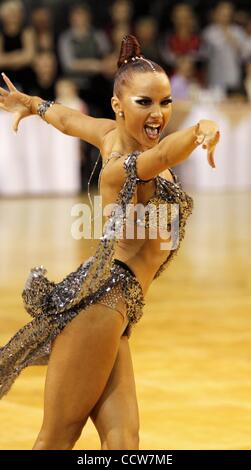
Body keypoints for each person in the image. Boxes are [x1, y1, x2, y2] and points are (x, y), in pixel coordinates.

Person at [0, 35, 220, 450]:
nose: (159, 115)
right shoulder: (124, 165)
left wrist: (30, 104)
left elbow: (67, 119)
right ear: (118, 106)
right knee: (56, 438)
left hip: (117, 308)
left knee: (123, 440)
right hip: (101, 302)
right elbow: (164, 158)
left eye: (166, 102)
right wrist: (199, 130)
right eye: (145, 103)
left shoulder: (109, 134)